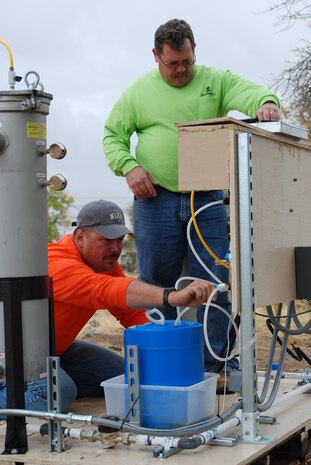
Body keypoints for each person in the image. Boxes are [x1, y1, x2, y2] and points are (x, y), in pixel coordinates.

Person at [103, 18, 281, 372]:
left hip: (208, 197)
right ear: (156, 56)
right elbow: (112, 136)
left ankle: (215, 366)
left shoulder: (215, 80)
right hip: (156, 199)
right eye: (173, 63)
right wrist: (129, 166)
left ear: (194, 52)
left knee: (215, 281)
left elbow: (251, 93)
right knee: (156, 283)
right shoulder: (138, 92)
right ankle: (163, 363)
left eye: (187, 61)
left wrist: (266, 103)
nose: (181, 70)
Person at [0, 199, 216, 415]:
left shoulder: (102, 264)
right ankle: (35, 387)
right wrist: (172, 296)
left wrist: (166, 358)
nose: (116, 249)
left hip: (56, 350)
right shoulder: (55, 262)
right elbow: (103, 290)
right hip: (13, 356)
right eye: (106, 240)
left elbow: (130, 314)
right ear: (81, 237)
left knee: (122, 376)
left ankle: (55, 382)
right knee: (54, 394)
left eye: (120, 240)